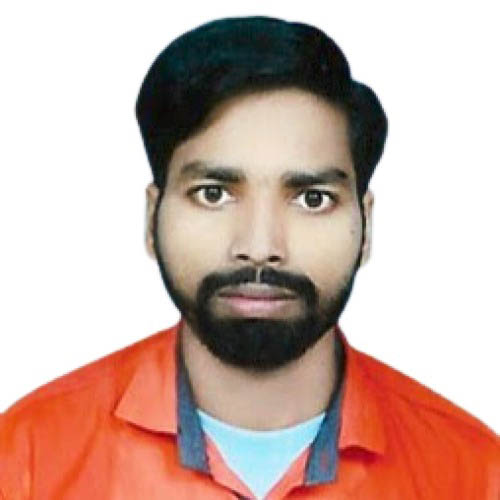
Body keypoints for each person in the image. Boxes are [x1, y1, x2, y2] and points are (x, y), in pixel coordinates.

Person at [0, 15, 498, 500]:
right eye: (213, 193)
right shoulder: (26, 458)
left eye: (312, 199)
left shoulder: (475, 474)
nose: (260, 246)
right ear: (152, 218)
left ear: (366, 226)